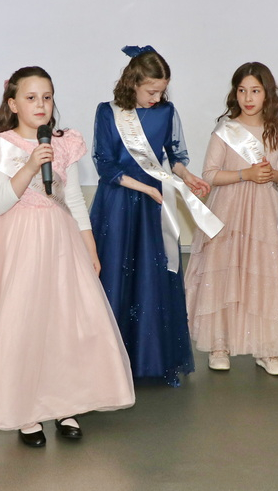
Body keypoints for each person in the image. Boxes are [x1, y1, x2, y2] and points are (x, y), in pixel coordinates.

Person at [0, 66, 134, 448]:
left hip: (60, 244)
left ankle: (65, 404)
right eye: (31, 98)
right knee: (22, 324)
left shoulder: (64, 142)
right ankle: (25, 411)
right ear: (13, 103)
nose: (41, 105)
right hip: (16, 245)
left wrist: (89, 246)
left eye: (47, 97)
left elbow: (74, 199)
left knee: (62, 323)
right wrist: (31, 165)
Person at [89, 46, 220, 386]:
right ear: (132, 82)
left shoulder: (166, 112)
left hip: (153, 205)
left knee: (152, 278)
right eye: (150, 91)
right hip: (119, 202)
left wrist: (187, 177)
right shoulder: (107, 112)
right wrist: (144, 188)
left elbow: (173, 157)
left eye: (161, 91)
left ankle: (151, 359)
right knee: (116, 276)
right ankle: (110, 362)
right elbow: (105, 165)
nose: (156, 98)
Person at [183, 62, 278, 375]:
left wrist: (273, 174)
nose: (248, 98)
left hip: (265, 214)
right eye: (242, 91)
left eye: (255, 91)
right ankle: (219, 344)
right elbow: (210, 174)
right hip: (229, 211)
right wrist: (245, 174)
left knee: (264, 275)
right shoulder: (225, 130)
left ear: (267, 94)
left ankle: (267, 348)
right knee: (225, 273)